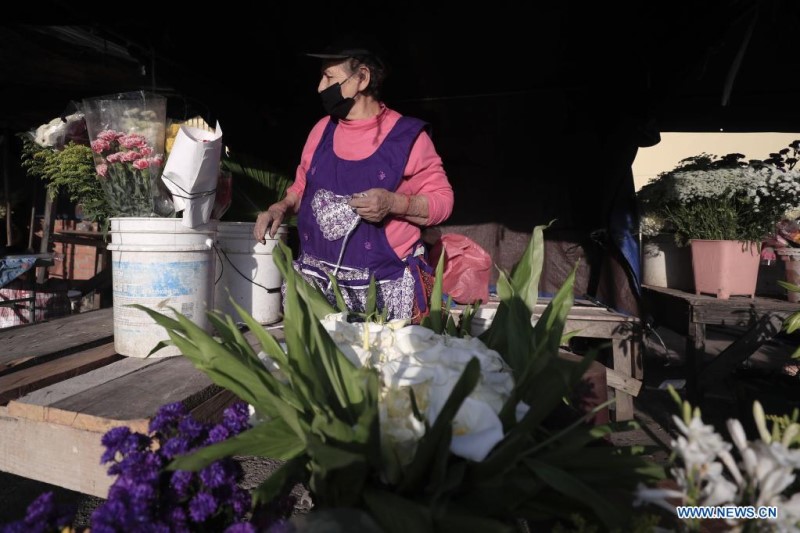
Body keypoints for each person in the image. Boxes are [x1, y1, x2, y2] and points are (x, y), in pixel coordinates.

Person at [254, 39, 454, 322]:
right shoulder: (321, 130)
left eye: (329, 77)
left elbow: (443, 202)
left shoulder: (408, 138)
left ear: (362, 77)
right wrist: (281, 207)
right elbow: (302, 187)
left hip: (385, 289)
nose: (320, 87)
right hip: (318, 290)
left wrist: (393, 203)